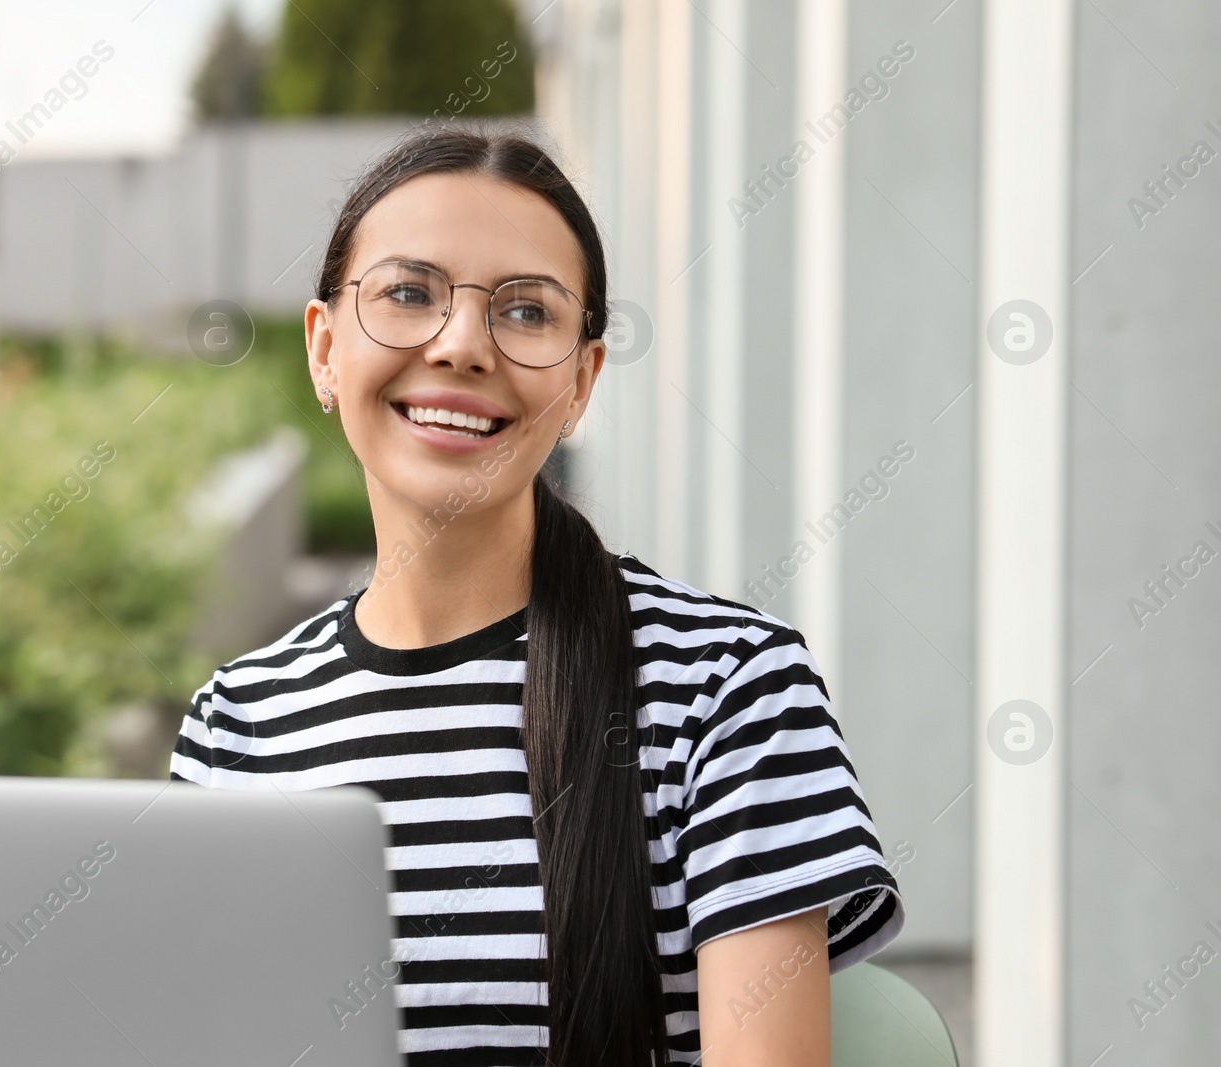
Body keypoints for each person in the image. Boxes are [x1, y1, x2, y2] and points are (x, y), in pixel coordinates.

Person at [170, 124, 904, 1066]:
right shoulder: (242, 723)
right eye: (407, 293)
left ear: (583, 381)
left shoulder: (731, 689)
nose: (463, 345)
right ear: (323, 351)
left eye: (526, 313)